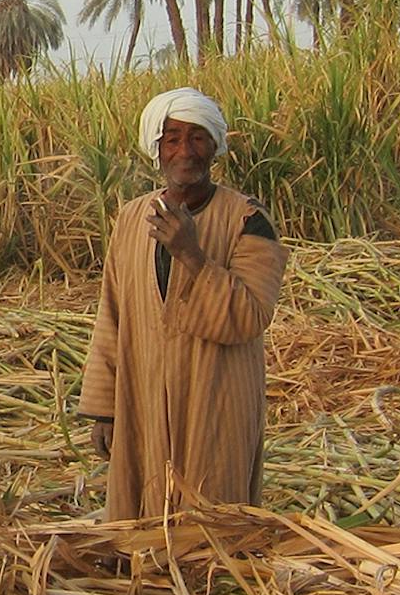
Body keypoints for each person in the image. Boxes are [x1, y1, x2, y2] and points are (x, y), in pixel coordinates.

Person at [78, 88, 286, 523]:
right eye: (172, 139)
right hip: (144, 396)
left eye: (196, 138)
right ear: (157, 149)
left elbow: (249, 317)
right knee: (143, 516)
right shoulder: (132, 220)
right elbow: (112, 316)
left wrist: (192, 254)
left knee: (215, 524)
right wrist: (104, 410)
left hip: (218, 397)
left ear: (214, 146)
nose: (185, 152)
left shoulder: (248, 220)